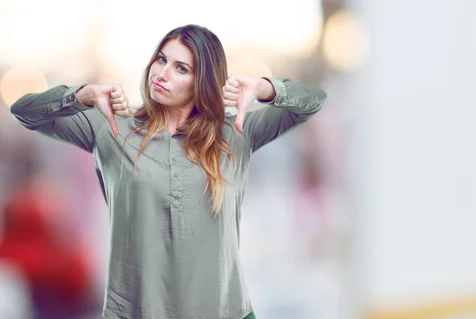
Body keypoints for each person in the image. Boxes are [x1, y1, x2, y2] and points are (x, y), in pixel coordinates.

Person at [9, 24, 327, 319]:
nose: (161, 72)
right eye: (161, 59)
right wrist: (81, 96)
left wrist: (266, 88)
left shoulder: (236, 132)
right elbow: (25, 112)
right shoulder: (111, 128)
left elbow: (312, 101)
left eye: (181, 68)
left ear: (202, 82)